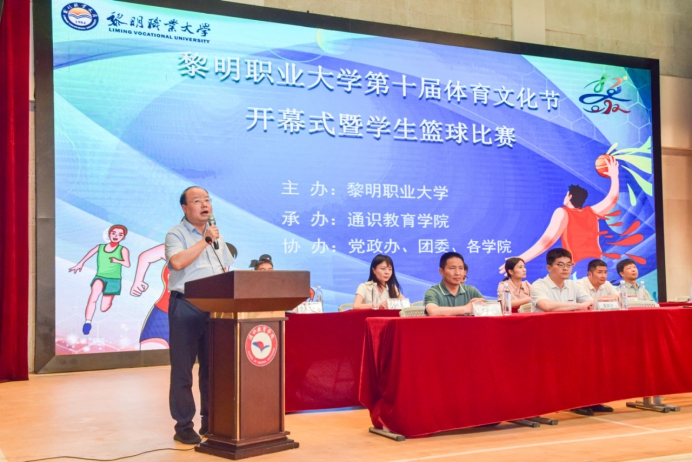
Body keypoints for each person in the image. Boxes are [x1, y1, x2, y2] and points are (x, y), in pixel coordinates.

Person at [165, 186, 235, 445]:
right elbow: (176, 263)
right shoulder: (176, 233)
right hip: (186, 306)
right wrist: (204, 240)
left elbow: (224, 268)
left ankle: (210, 420)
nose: (205, 204)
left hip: (214, 308)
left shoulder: (215, 233)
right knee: (183, 370)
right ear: (185, 208)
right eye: (197, 201)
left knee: (211, 369)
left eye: (207, 200)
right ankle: (183, 426)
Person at [500, 155, 619, 272]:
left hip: (578, 268)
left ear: (569, 196)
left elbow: (546, 241)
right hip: (595, 267)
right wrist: (614, 176)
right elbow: (612, 198)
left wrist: (521, 259)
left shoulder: (563, 213)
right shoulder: (592, 212)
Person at [69, 224, 131, 335]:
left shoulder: (123, 250)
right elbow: (89, 254)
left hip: (114, 280)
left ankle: (108, 301)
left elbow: (127, 264)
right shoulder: (100, 247)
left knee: (104, 308)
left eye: (120, 234)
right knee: (93, 296)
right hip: (100, 277)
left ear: (123, 237)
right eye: (113, 233)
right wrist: (80, 264)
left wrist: (117, 261)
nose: (116, 236)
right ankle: (88, 322)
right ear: (109, 234)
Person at [530, 248, 593, 313]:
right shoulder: (538, 285)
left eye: (569, 265)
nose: (565, 268)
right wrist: (580, 306)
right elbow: (546, 306)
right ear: (549, 268)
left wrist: (585, 305)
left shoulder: (574, 285)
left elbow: (590, 302)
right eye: (560, 265)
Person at [424, 252, 485, 316]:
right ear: (441, 272)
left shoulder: (471, 291)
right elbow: (433, 311)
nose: (457, 273)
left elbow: (487, 310)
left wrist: (482, 305)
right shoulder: (433, 292)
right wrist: (466, 308)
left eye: (461, 268)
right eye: (452, 268)